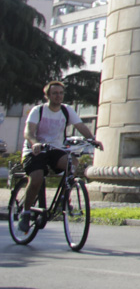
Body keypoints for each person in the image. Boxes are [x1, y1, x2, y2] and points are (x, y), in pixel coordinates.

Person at [19, 81, 101, 233]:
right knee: (36, 179)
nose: (58, 96)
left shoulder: (66, 110)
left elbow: (80, 126)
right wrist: (35, 143)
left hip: (55, 149)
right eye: (55, 93)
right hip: (35, 150)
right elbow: (28, 132)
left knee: (72, 163)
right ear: (48, 95)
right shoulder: (39, 110)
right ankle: (26, 212)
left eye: (61, 93)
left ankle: (64, 198)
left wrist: (92, 139)